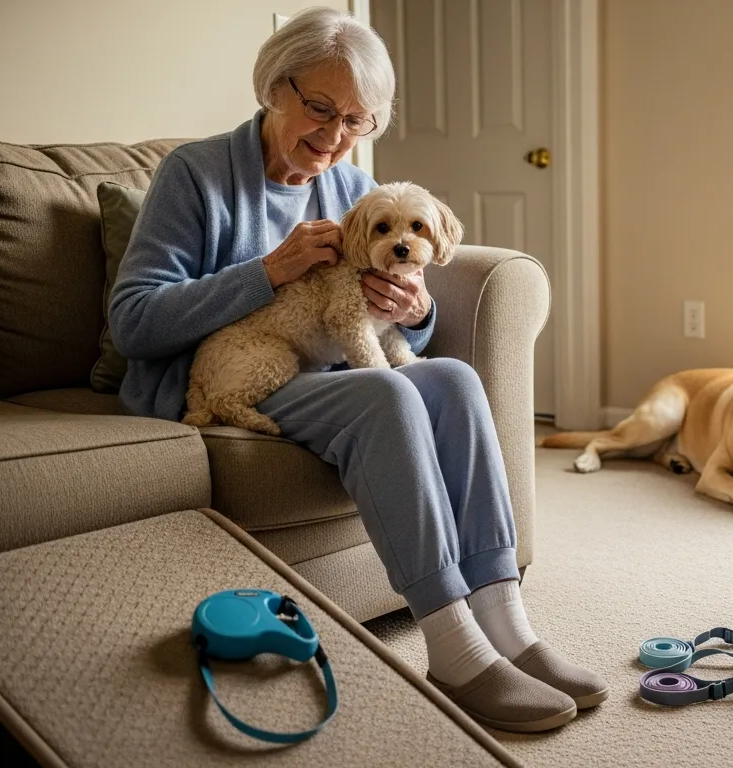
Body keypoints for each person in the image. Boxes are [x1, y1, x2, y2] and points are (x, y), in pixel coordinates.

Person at [108, 6, 603, 732]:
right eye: (321, 109)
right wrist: (267, 271)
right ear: (274, 87)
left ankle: (509, 625)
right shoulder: (197, 174)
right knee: (387, 396)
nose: (336, 138)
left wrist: (412, 308)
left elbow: (397, 321)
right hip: (216, 376)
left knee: (454, 379)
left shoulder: (349, 188)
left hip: (330, 367)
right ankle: (456, 651)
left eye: (357, 122)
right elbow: (134, 321)